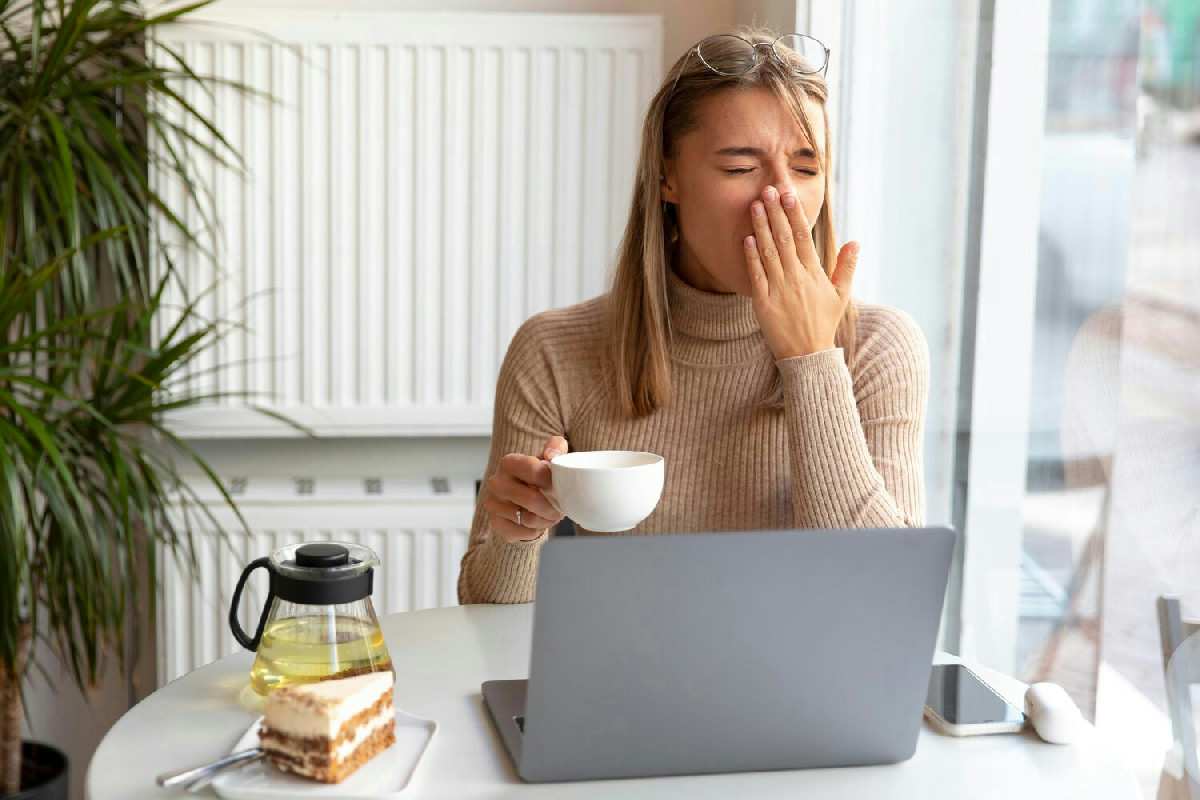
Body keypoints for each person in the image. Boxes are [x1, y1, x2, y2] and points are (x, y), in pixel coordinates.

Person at [458, 27, 930, 605]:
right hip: (624, 680)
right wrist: (516, 533)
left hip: (805, 693)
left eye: (806, 170)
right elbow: (484, 613)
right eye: (740, 168)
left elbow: (890, 603)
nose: (781, 199)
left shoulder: (881, 347)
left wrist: (810, 359)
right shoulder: (554, 350)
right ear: (667, 178)